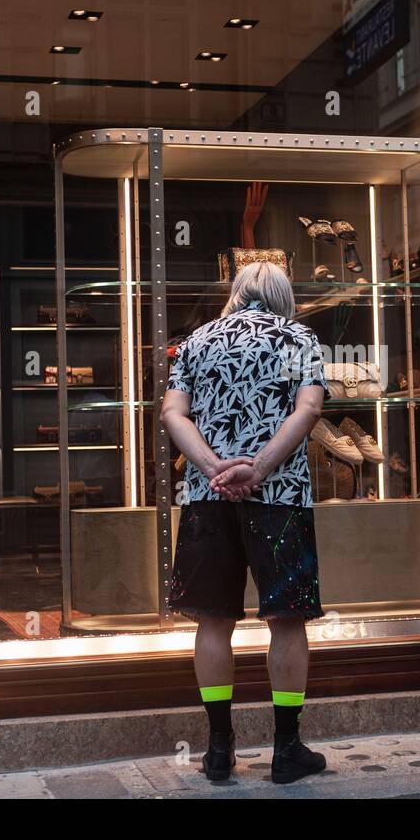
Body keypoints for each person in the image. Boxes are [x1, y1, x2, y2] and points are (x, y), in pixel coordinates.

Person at [161, 260, 329, 784]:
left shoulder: (196, 340)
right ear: (283, 294)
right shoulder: (299, 337)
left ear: (236, 292)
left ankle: (217, 749)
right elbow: (308, 411)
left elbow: (172, 413)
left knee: (214, 620)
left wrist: (213, 468)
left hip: (207, 498)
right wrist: (257, 468)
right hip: (279, 497)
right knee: (287, 619)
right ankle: (286, 749)